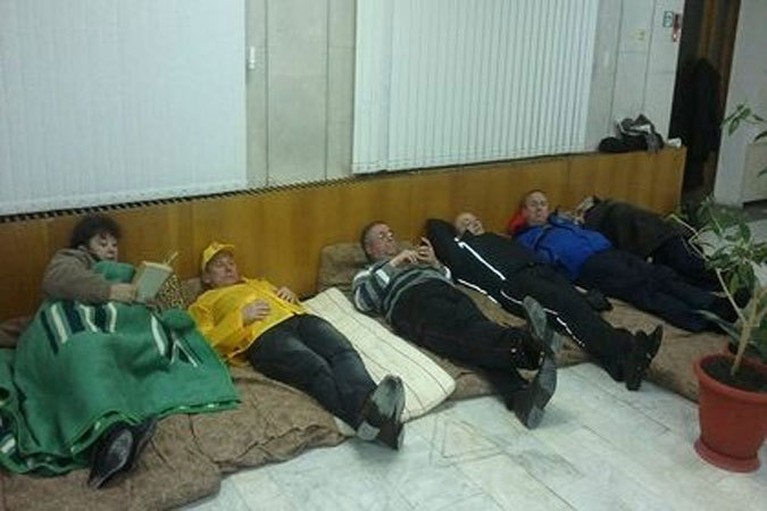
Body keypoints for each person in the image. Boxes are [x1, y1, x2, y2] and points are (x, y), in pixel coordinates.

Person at [1, 214, 238, 488]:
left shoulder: (126, 272)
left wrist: (143, 303)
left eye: (114, 244)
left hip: (110, 335)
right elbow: (57, 280)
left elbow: (133, 317)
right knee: (86, 350)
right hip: (72, 330)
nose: (111, 249)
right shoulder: (71, 259)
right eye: (102, 243)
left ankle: (116, 436)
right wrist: (110, 290)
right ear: (84, 245)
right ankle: (111, 435)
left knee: (118, 349)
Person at [188, 241, 406, 450]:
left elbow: (291, 303)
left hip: (299, 319)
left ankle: (372, 411)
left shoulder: (258, 283)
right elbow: (204, 344)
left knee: (342, 351)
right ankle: (377, 422)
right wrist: (239, 318)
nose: (228, 268)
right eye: (219, 265)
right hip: (263, 337)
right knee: (314, 365)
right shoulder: (203, 303)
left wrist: (292, 297)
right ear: (206, 277)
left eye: (231, 263)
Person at [353, 221, 563, 429]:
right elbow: (363, 301)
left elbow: (448, 278)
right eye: (381, 236)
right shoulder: (367, 272)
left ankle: (520, 397)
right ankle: (527, 345)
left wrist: (435, 263)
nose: (390, 238)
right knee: (464, 332)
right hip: (411, 301)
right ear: (369, 249)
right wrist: (394, 263)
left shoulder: (414, 260)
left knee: (476, 332)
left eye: (391, 233)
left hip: (447, 292)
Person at [426, 213, 661, 391]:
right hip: (515, 284)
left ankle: (627, 352)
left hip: (539, 270)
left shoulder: (496, 238)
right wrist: (459, 235)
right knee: (566, 309)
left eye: (475, 219)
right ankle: (624, 357)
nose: (474, 223)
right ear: (456, 233)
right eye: (466, 222)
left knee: (580, 306)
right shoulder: (460, 251)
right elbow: (435, 225)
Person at [514, 190, 739, 333]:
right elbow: (535, 266)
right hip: (587, 266)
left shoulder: (563, 222)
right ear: (524, 212)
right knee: (642, 288)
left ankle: (714, 304)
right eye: (533, 204)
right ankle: (697, 320)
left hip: (609, 251)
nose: (539, 208)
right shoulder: (525, 239)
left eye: (543, 203)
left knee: (660, 274)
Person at [571, 196, 718, 290]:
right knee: (694, 269)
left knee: (694, 270)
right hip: (666, 234)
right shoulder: (612, 207)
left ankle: (725, 284)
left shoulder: (597, 216)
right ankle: (722, 285)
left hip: (659, 240)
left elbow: (609, 242)